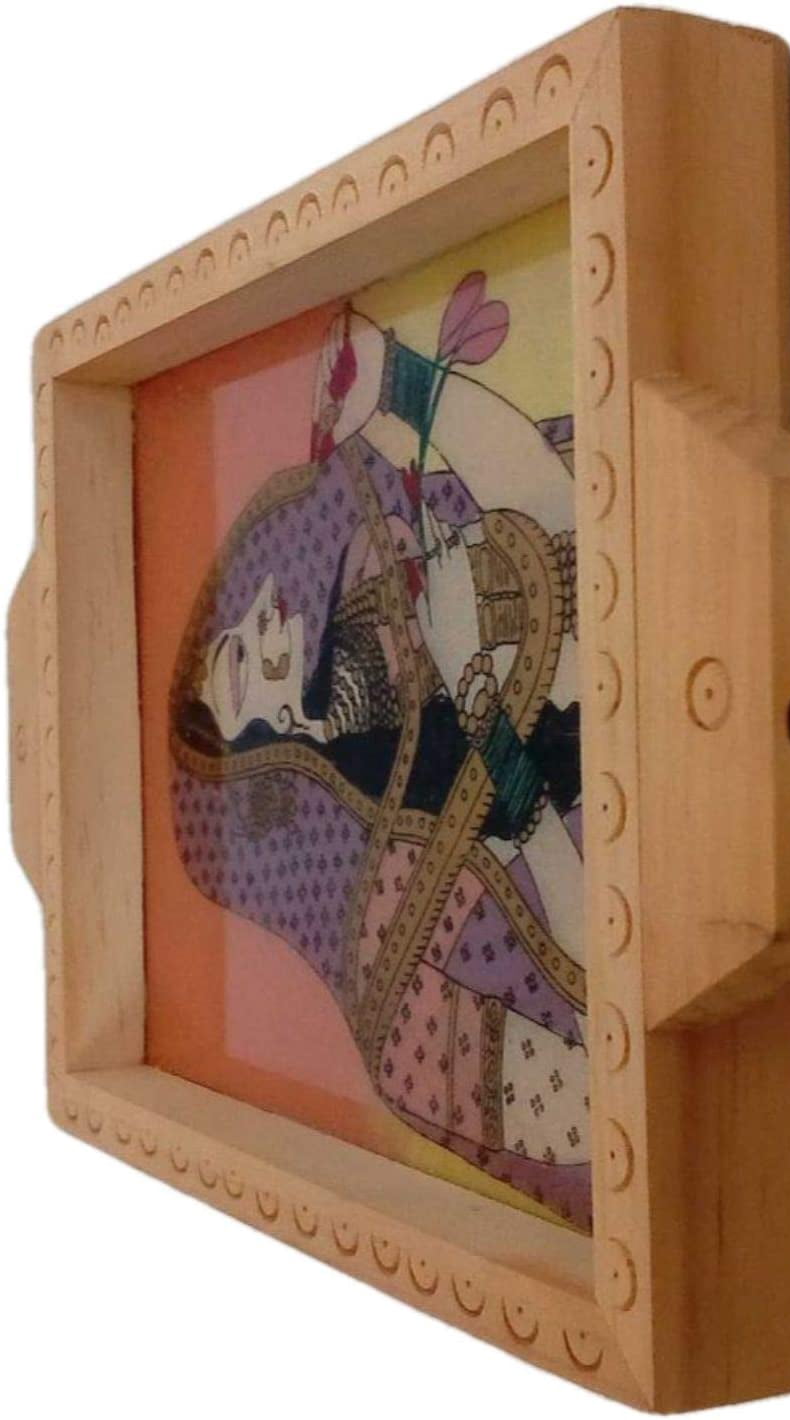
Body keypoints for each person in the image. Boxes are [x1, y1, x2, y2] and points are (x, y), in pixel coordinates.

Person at [171, 275, 591, 1228]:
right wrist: (491, 727)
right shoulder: (399, 988)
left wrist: (402, 393)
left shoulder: (390, 584)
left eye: (253, 612)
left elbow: (558, 516)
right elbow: (596, 1030)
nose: (269, 613)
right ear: (265, 743)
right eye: (241, 662)